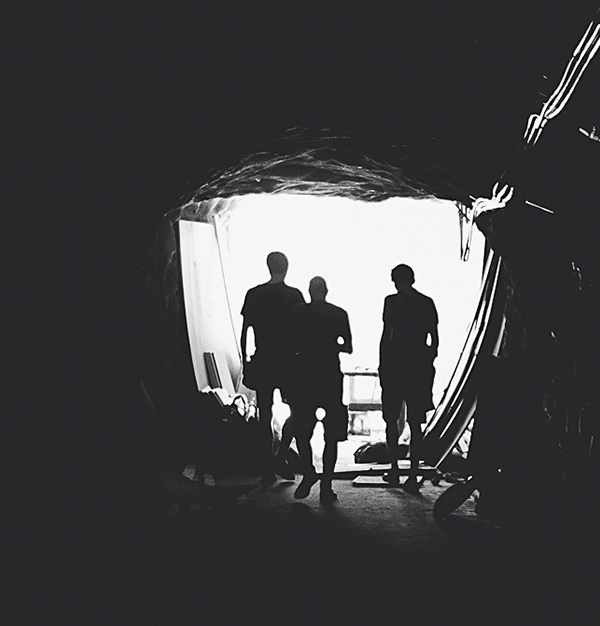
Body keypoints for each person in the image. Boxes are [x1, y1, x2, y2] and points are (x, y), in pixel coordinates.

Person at [240, 252, 305, 485]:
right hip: (288, 361)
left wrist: (246, 360)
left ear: (268, 267)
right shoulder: (294, 295)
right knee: (298, 412)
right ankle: (281, 457)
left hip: (264, 359)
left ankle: (266, 468)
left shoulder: (254, 294)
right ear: (286, 268)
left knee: (264, 415)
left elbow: (245, 331)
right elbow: (303, 331)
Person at [289, 276, 353, 504]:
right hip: (330, 377)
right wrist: (329, 344)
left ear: (309, 291)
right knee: (331, 435)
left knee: (301, 431)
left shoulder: (297, 313)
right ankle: (326, 486)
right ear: (326, 291)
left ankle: (309, 472)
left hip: (304, 377)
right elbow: (348, 347)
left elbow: (289, 345)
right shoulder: (339, 314)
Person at [378, 264, 438, 494]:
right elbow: (434, 340)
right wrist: (425, 360)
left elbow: (387, 335)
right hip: (418, 369)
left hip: (395, 366)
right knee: (415, 423)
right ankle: (413, 474)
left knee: (391, 420)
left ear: (394, 281)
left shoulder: (391, 302)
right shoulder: (427, 302)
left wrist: (383, 365)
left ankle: (394, 470)